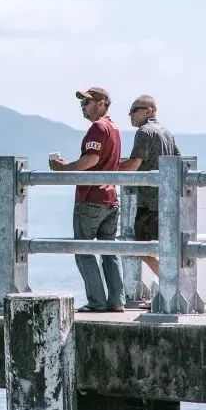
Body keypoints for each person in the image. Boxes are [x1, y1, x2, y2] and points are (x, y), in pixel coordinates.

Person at [49, 86, 125, 312]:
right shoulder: (114, 128)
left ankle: (97, 302)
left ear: (102, 104)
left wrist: (65, 169)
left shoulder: (98, 128)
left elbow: (91, 159)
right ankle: (117, 301)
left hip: (91, 198)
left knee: (83, 251)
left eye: (88, 102)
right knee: (110, 251)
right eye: (82, 103)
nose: (83, 107)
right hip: (111, 199)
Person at [118, 94, 180, 277]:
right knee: (164, 247)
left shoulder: (144, 132)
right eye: (130, 111)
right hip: (167, 199)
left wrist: (107, 169)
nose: (130, 114)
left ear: (149, 111)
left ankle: (169, 283)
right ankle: (169, 285)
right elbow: (178, 161)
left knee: (142, 248)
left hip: (148, 202)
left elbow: (133, 164)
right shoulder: (167, 133)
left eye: (135, 110)